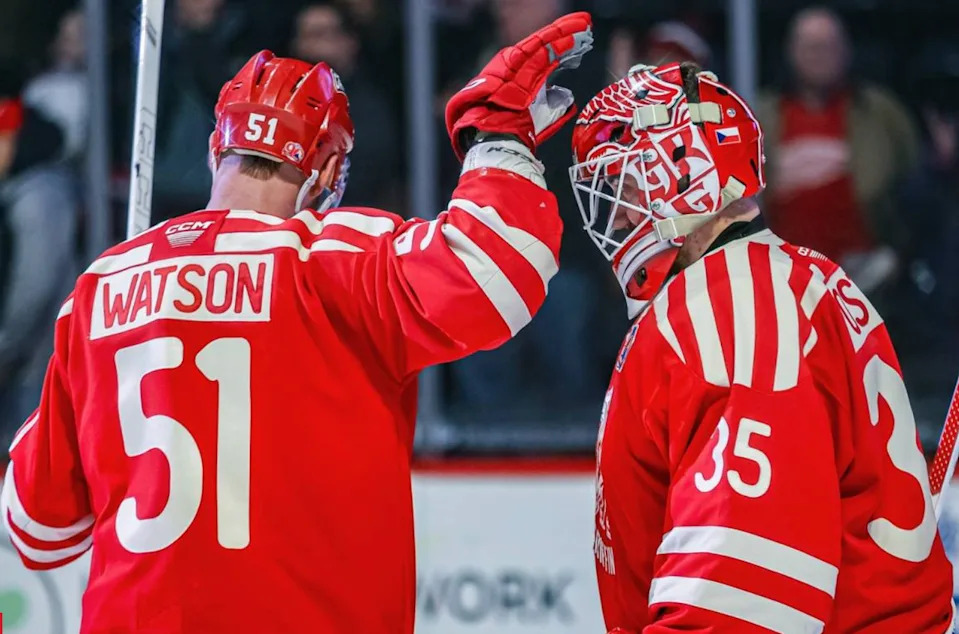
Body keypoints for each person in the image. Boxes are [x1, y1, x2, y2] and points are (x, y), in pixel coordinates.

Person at [0, 13, 593, 633]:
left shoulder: (100, 289)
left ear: (215, 150)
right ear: (331, 171)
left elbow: (36, 528)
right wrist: (495, 136)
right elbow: (500, 267)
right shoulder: (334, 258)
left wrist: (96, 380)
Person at [569, 61, 954, 633]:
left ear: (688, 177)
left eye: (626, 188)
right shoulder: (784, 280)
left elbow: (743, 605)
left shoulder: (730, 310)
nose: (618, 217)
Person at [757, 7, 918, 296]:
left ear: (846, 51)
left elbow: (917, 182)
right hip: (784, 276)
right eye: (810, 46)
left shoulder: (880, 111)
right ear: (791, 51)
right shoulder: (763, 115)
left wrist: (899, 257)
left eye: (828, 46)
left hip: (867, 278)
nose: (819, 55)